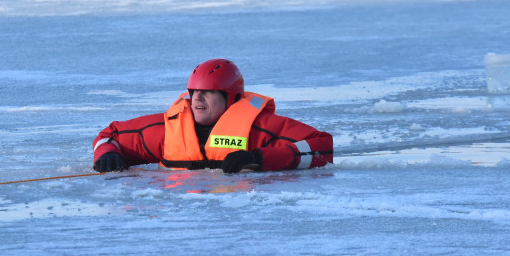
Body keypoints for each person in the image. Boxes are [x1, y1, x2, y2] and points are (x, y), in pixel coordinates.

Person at [92, 59, 333, 174]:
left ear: (231, 98)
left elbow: (322, 146)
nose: (197, 99)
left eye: (207, 93)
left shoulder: (261, 129)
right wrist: (108, 154)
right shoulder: (167, 130)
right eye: (194, 92)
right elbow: (109, 136)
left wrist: (260, 158)